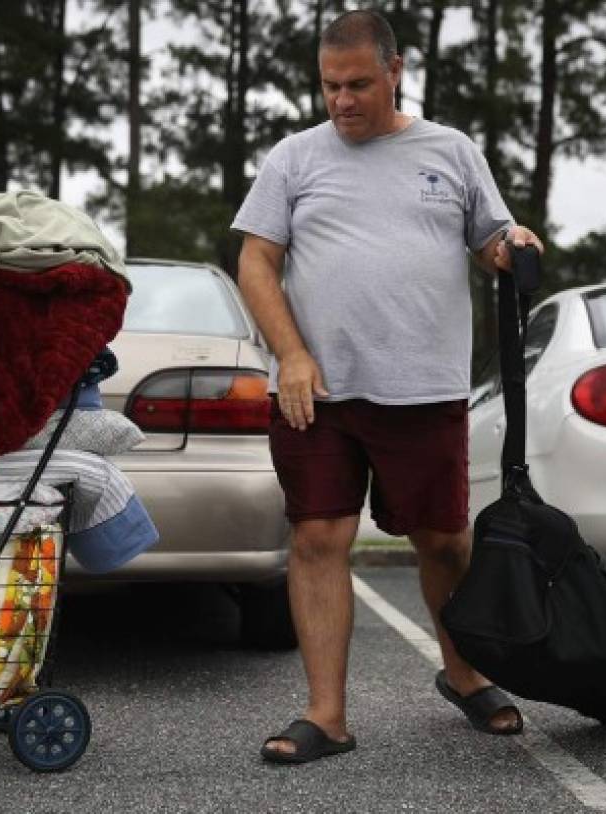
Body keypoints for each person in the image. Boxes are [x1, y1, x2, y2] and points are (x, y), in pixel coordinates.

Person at [231, 9, 545, 765]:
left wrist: (513, 245)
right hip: (320, 395)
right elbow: (255, 262)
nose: (342, 100)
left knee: (442, 540)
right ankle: (326, 715)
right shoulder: (293, 159)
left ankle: (465, 676)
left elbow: (490, 241)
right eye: (330, 85)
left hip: (423, 386)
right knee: (318, 538)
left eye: (358, 84)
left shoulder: (451, 150)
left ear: (395, 70)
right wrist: (293, 355)